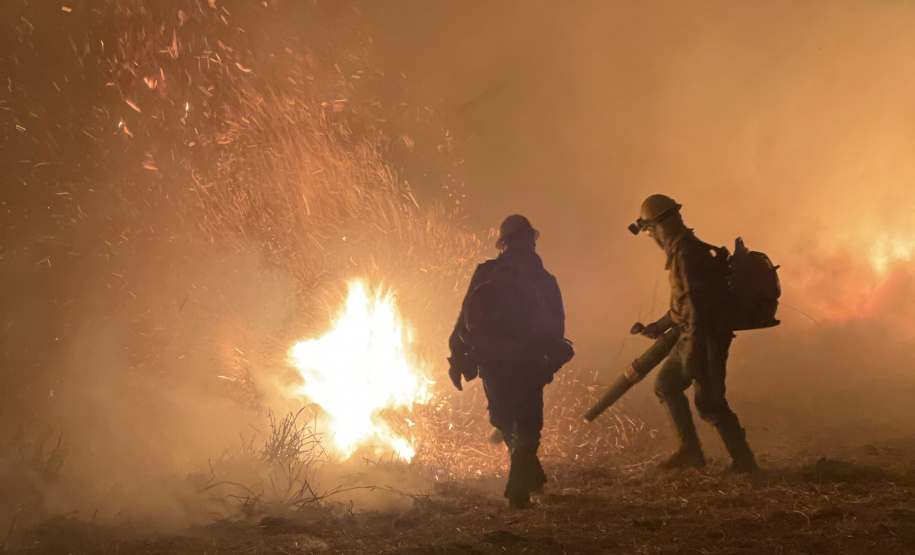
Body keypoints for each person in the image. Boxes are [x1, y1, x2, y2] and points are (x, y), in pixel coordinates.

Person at [448, 215, 570, 508]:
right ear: (530, 240)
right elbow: (557, 327)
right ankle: (520, 484)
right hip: (528, 361)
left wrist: (456, 357)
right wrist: (549, 361)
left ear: (502, 244)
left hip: (491, 360)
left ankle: (531, 477)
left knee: (504, 420)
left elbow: (463, 319)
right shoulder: (544, 279)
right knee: (527, 424)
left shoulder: (485, 273)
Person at [629, 195, 758, 473]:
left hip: (705, 337)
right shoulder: (682, 251)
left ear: (661, 225)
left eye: (650, 230)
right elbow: (684, 305)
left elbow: (698, 310)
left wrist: (696, 352)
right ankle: (690, 451)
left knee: (710, 401)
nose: (652, 237)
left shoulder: (687, 254)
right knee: (666, 384)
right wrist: (660, 326)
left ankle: (744, 462)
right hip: (689, 335)